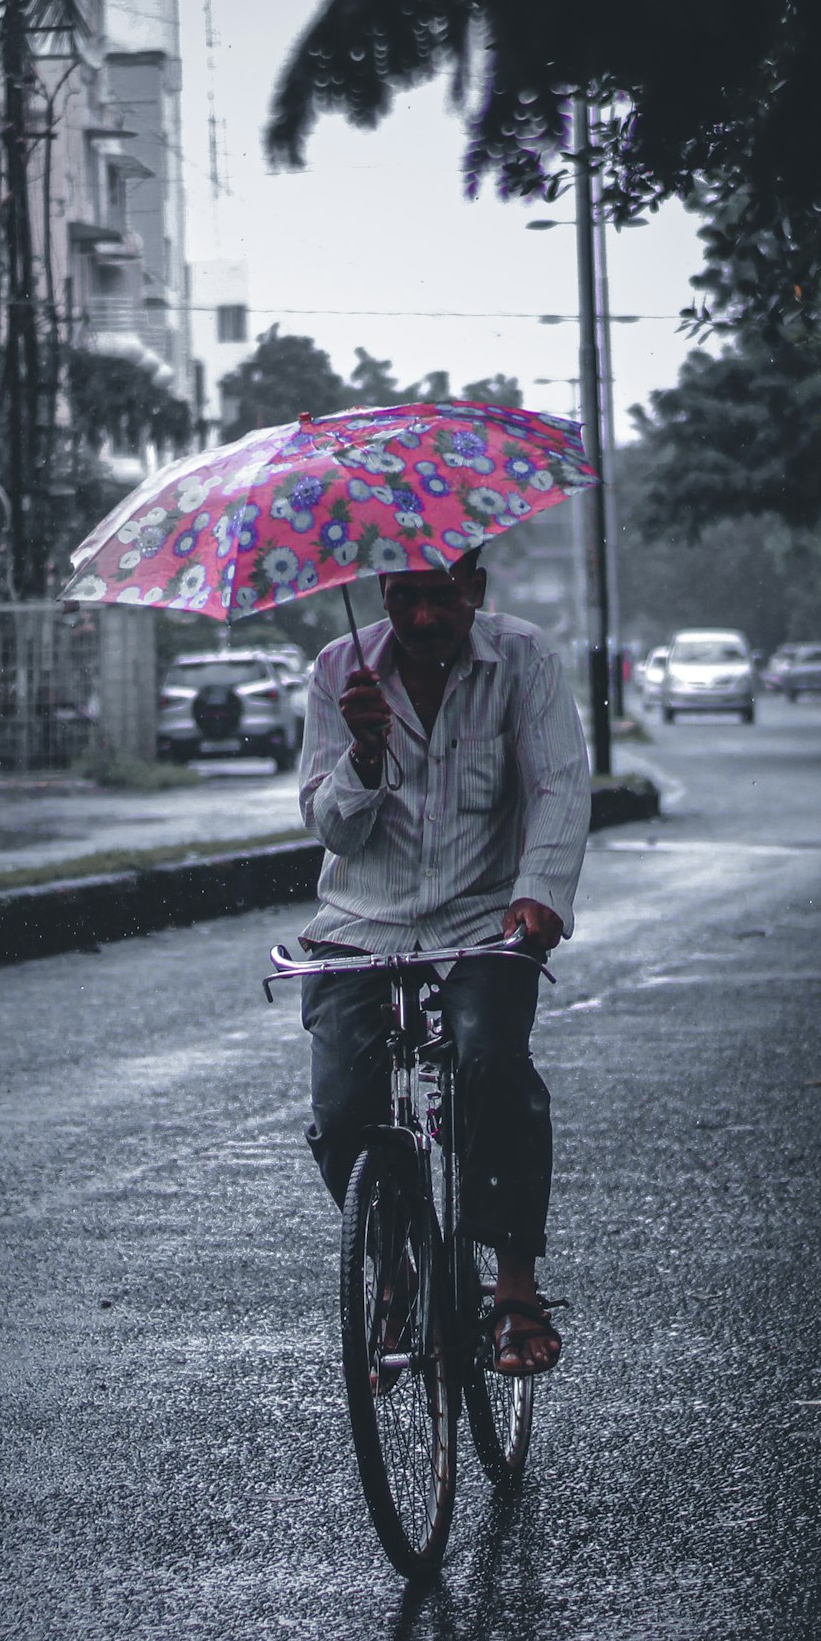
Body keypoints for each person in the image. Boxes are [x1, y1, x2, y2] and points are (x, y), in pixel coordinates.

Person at [297, 549, 592, 1374]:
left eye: (438, 597)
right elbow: (332, 829)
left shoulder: (524, 659)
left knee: (493, 1063)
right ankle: (397, 1256)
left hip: (483, 918)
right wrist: (360, 755)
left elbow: (559, 786)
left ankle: (516, 1288)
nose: (421, 618)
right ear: (380, 594)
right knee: (344, 1108)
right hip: (363, 923)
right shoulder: (338, 673)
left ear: (475, 589)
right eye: (402, 599)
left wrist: (539, 894)